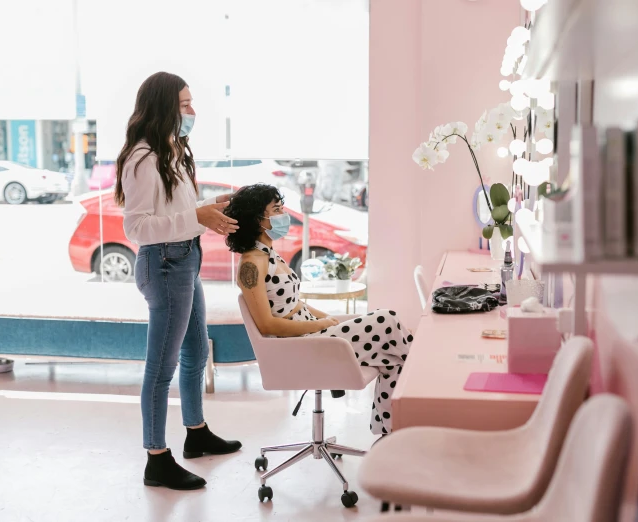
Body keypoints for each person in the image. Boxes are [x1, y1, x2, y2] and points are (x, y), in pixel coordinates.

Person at [114, 72, 242, 491]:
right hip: (165, 264)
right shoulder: (143, 157)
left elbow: (176, 210)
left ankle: (196, 432)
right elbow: (137, 228)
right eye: (184, 105)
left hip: (185, 259)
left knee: (194, 353)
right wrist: (195, 218)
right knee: (161, 368)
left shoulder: (172, 151)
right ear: (163, 106)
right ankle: (156, 458)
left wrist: (207, 207)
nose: (192, 112)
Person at [226, 184, 413, 436]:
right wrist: (319, 325)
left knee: (394, 357)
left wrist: (327, 319)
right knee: (387, 320)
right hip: (298, 346)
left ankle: (390, 432)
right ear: (258, 219)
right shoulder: (251, 264)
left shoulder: (270, 255)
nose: (284, 215)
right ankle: (424, 368)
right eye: (277, 209)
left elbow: (295, 304)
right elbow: (267, 325)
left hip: (312, 335)